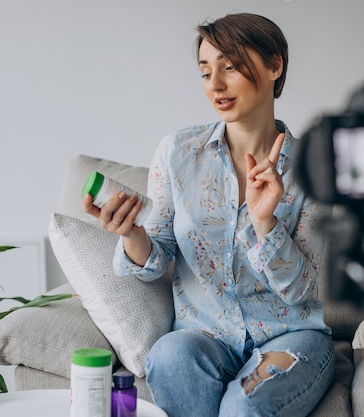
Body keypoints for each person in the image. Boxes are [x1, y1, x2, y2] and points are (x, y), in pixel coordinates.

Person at [83, 12, 334, 417]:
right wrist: (131, 234)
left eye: (230, 67)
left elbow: (301, 290)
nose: (215, 85)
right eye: (205, 72)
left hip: (290, 338)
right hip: (204, 337)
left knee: (243, 407)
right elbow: (157, 256)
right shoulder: (178, 153)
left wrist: (264, 222)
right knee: (168, 358)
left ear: (274, 65)